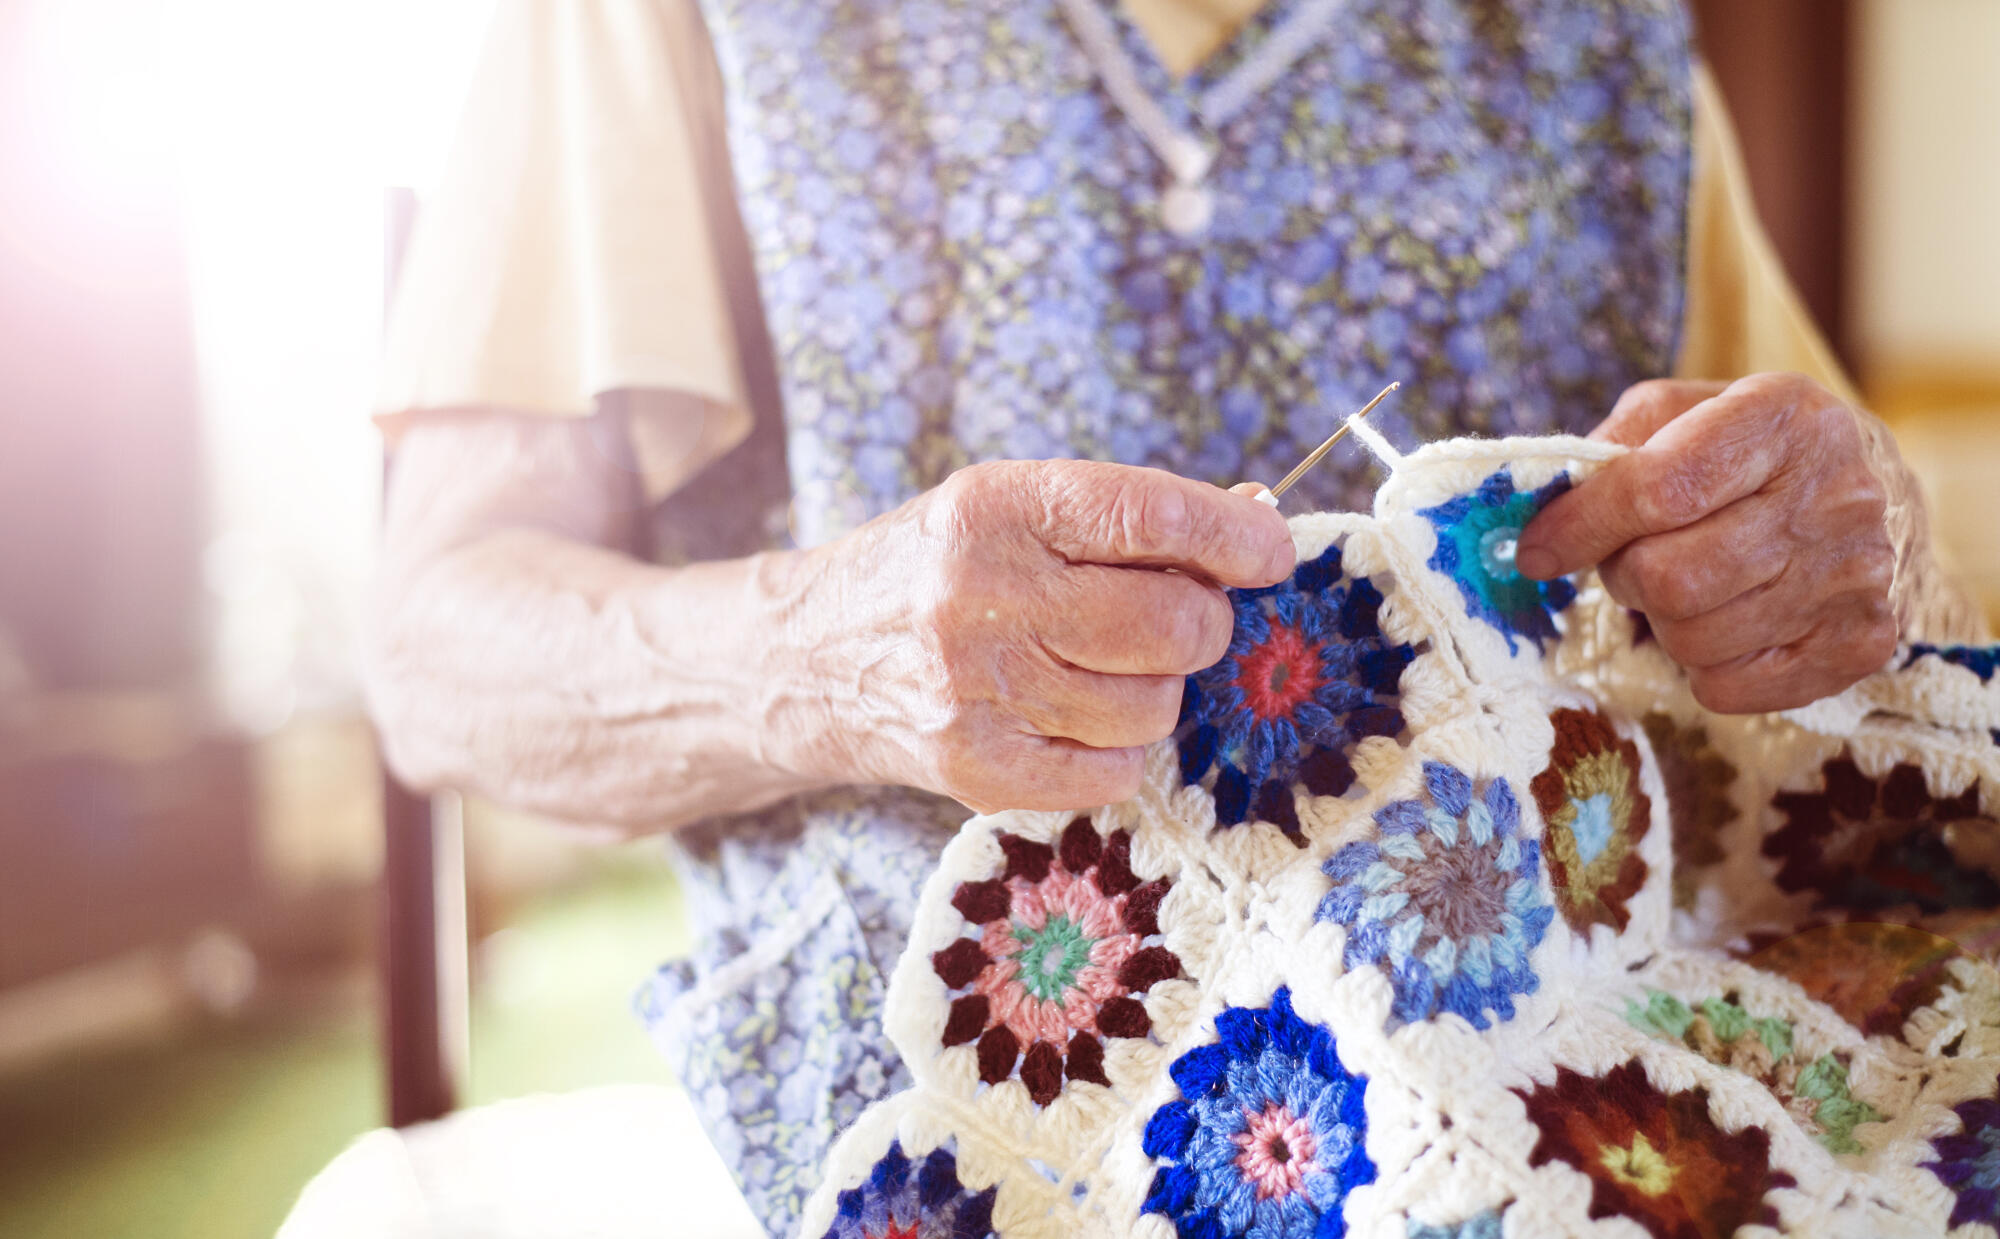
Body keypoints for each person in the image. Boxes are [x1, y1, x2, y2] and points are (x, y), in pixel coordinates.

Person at [349, 1, 1988, 1236]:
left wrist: (1870, 548)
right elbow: (434, 652)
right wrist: (827, 650)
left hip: (1584, 1028)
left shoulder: (1601, 42)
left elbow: (1886, 647)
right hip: (974, 1069)